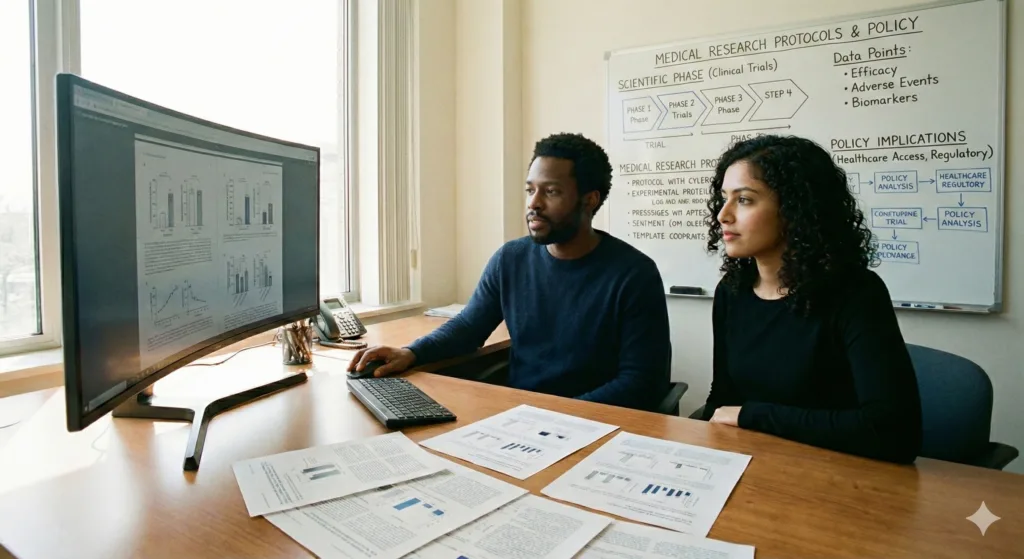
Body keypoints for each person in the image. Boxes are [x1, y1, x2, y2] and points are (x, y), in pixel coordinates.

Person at [348, 132, 672, 411]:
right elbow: (468, 327)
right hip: (520, 419)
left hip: (594, 424)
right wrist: (411, 352)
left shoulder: (633, 274)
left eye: (552, 191)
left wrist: (558, 415)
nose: (534, 203)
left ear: (589, 200)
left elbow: (642, 382)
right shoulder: (510, 259)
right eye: (530, 189)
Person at [699, 134, 923, 464]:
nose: (723, 215)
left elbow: (894, 433)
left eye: (744, 200)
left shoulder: (856, 293)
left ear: (793, 209)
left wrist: (753, 416)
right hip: (756, 469)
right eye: (723, 198)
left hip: (842, 477)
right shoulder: (732, 291)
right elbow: (722, 401)